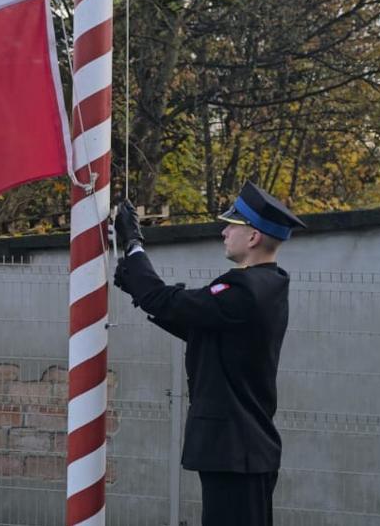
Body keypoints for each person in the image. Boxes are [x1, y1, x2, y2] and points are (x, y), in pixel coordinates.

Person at [113, 181, 307, 526]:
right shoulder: (267, 284)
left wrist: (134, 246)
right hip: (242, 449)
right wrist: (139, 286)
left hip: (235, 449)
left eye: (232, 226)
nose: (223, 232)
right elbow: (198, 324)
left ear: (253, 238)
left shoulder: (245, 289)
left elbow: (174, 304)